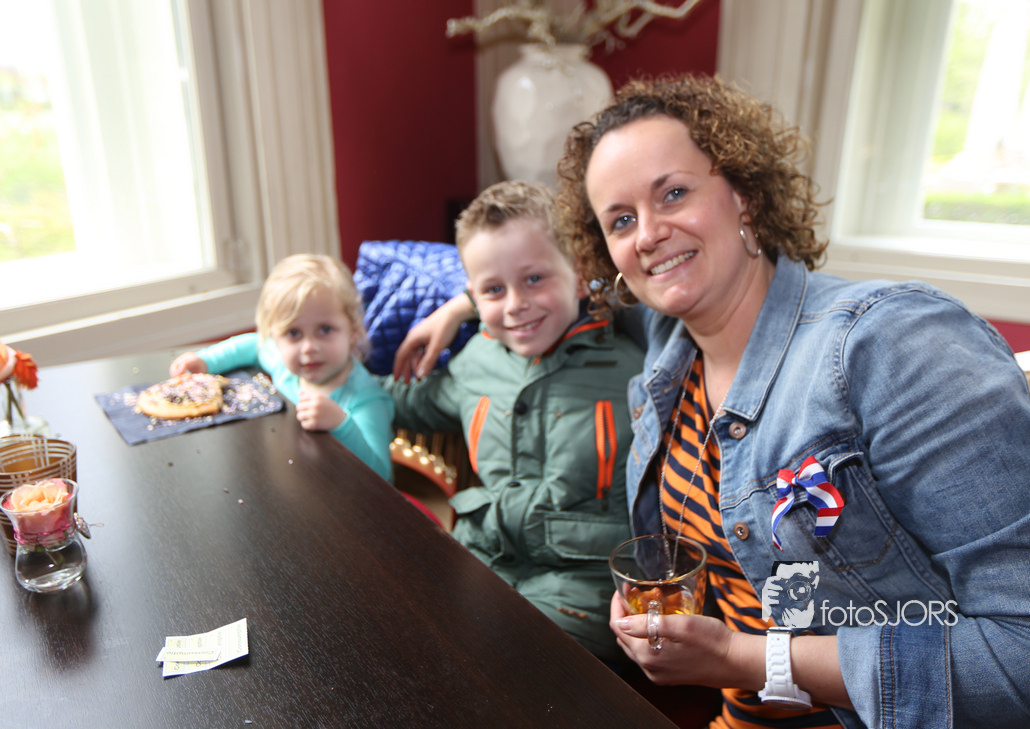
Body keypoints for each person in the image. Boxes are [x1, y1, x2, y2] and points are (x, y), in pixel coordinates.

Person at [396, 75, 1030, 728]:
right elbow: (550, 282)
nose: (647, 234)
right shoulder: (668, 340)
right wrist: (461, 305)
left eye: (673, 192)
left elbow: (1019, 654)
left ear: (745, 195)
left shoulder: (895, 345)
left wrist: (746, 658)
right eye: (621, 219)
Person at [386, 180, 645, 664]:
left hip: (585, 586)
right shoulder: (476, 360)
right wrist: (321, 380)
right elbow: (405, 402)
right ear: (473, 296)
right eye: (493, 290)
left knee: (508, 661)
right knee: (407, 633)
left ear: (579, 274)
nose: (514, 305)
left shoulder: (633, 368)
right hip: (480, 557)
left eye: (534, 279)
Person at [171, 254, 394, 481]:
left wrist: (341, 424)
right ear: (275, 338)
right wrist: (206, 361)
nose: (309, 347)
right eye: (294, 333)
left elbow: (381, 475)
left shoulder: (367, 400)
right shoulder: (284, 366)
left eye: (325, 329)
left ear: (353, 332)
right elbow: (253, 345)